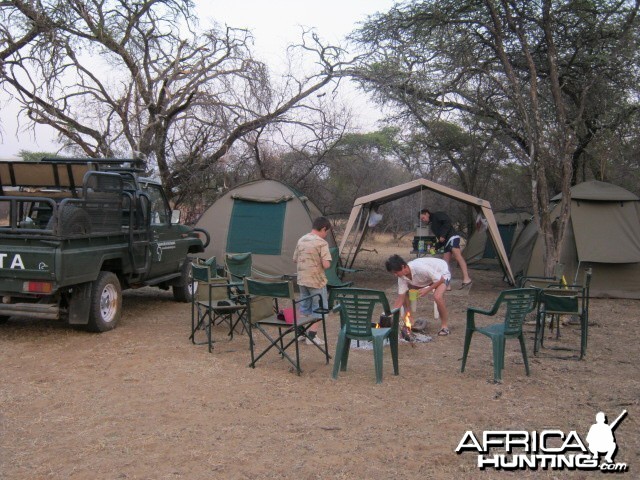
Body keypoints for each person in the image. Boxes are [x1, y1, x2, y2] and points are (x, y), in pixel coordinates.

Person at [385, 254, 452, 336]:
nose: (395, 275)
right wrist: (390, 314)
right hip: (424, 279)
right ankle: (409, 318)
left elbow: (440, 279)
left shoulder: (419, 268)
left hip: (441, 273)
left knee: (437, 296)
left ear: (403, 267)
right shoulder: (402, 277)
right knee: (404, 292)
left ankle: (444, 327)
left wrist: (427, 289)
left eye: (396, 272)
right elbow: (400, 298)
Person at [292, 216, 333, 345]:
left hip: (302, 280)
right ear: (323, 229)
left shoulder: (301, 240)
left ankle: (301, 333)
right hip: (316, 281)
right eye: (326, 232)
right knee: (319, 308)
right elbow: (326, 265)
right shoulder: (321, 243)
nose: (326, 235)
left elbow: (295, 259)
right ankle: (312, 336)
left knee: (305, 307)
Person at [419, 208, 472, 289]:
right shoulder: (433, 226)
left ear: (427, 213)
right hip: (446, 242)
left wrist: (443, 235)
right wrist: (435, 247)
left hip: (452, 237)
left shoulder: (438, 214)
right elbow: (441, 240)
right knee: (444, 263)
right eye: (421, 219)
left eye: (423, 218)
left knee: (458, 256)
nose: (423, 220)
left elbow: (447, 222)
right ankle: (447, 284)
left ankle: (467, 279)